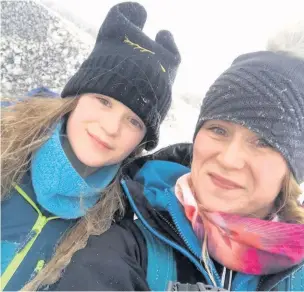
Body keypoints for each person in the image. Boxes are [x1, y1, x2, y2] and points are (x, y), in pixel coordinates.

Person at [52, 25, 304, 291]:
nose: (230, 159)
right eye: (218, 130)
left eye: (262, 142)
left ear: (291, 167)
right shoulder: (129, 248)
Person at [0, 2, 181, 291]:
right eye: (104, 101)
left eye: (134, 121)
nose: (111, 128)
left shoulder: (117, 227)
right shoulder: (5, 144)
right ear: (76, 97)